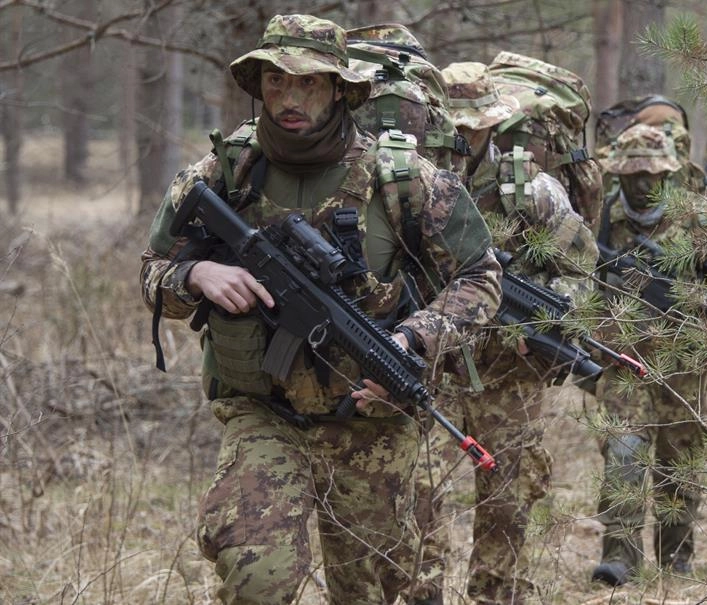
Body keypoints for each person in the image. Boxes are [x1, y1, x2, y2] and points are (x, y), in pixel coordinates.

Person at [139, 14, 501, 605]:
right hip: (264, 413)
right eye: (276, 83)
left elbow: (481, 275)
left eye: (308, 83)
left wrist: (412, 341)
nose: (290, 98)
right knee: (256, 575)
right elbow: (152, 273)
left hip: (373, 424)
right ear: (258, 87)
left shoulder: (402, 179)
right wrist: (196, 273)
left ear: (339, 89)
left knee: (377, 589)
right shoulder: (224, 173)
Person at [407, 61, 598, 605]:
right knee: (419, 495)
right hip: (429, 363)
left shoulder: (531, 189)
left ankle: (497, 595)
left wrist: (542, 323)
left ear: (496, 124)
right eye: (456, 124)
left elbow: (582, 269)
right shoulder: (407, 182)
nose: (464, 137)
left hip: (508, 371)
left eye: (476, 125)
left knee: (509, 498)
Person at [589, 121, 707, 587]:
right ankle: (620, 559)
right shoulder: (600, 219)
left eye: (651, 174)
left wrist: (705, 315)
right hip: (622, 364)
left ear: (668, 173)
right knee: (624, 456)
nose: (641, 182)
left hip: (683, 365)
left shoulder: (696, 217)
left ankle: (676, 556)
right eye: (631, 174)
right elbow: (579, 287)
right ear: (617, 174)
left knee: (680, 462)